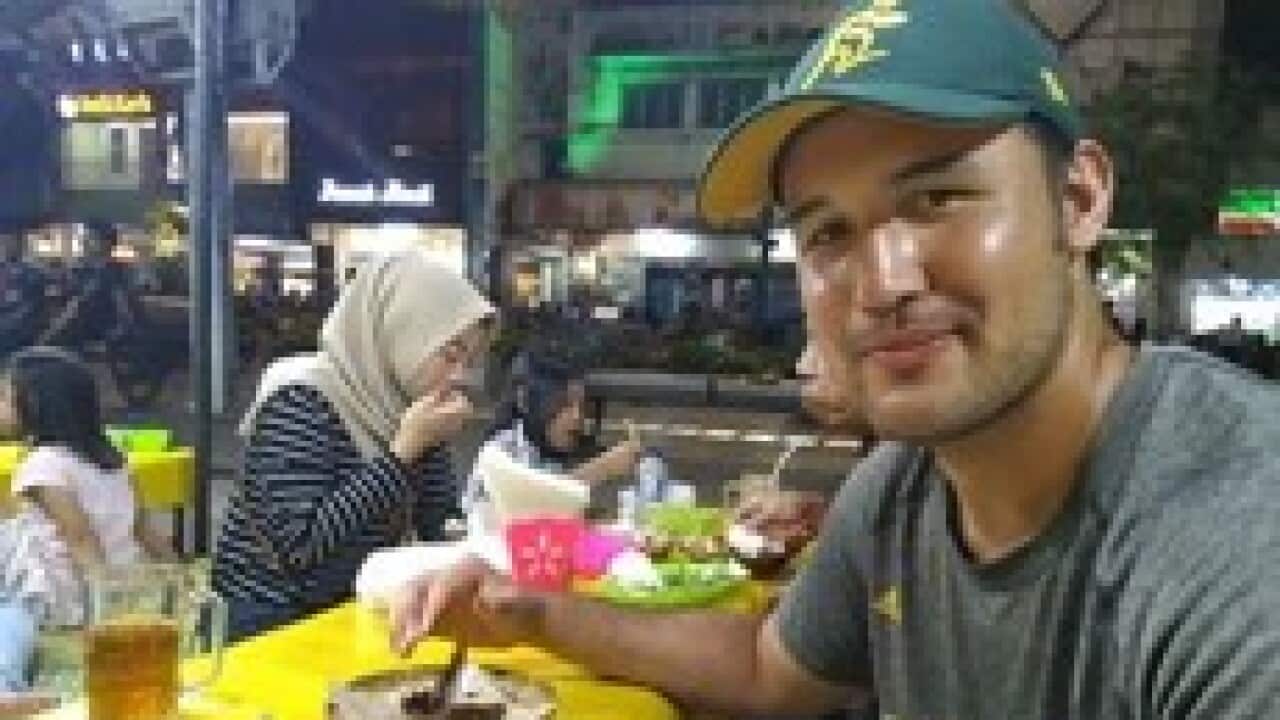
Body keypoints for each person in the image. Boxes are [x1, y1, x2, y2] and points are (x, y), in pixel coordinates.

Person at [388, 1, 1280, 717]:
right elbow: (772, 667)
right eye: (828, 232)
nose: (883, 281)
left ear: (1079, 200)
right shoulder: (901, 494)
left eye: (937, 197)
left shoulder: (1230, 535)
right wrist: (534, 613)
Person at [213, 250, 496, 642]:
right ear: (399, 332)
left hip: (348, 613)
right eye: (450, 357)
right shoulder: (299, 400)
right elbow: (301, 547)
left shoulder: (403, 403)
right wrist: (401, 455)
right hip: (268, 623)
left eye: (468, 361)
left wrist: (480, 536)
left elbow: (437, 526)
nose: (458, 376)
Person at [0, 347, 173, 690]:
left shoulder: (44, 466)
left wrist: (102, 613)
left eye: (4, 397)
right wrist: (176, 574)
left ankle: (7, 687)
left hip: (65, 600)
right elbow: (143, 530)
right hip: (119, 586)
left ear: (34, 406)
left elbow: (81, 541)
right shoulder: (115, 461)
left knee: (9, 619)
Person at [466, 353, 642, 534]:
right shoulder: (500, 452)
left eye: (581, 406)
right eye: (564, 404)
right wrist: (601, 469)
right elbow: (514, 521)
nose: (576, 416)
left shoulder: (553, 454)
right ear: (528, 401)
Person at [0, 233, 46, 359]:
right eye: (4, 242)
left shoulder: (32, 272)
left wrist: (10, 320)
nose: (5, 246)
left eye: (10, 242)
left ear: (21, 244)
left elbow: (33, 306)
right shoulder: (3, 268)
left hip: (19, 326)